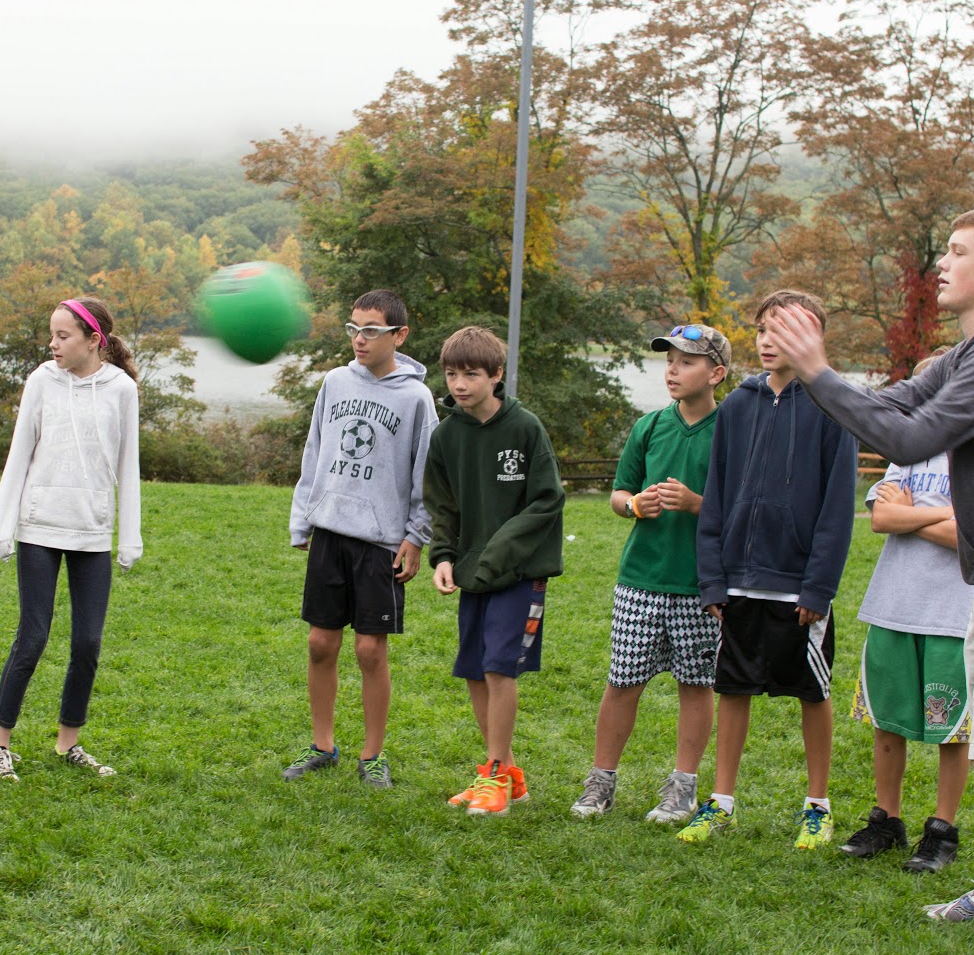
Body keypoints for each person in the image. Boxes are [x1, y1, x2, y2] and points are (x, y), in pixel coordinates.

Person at [767, 206, 974, 955]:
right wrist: (816, 369)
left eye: (955, 251)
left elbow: (908, 443)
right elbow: (897, 406)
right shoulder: (973, 351)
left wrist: (816, 371)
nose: (939, 264)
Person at [680, 290, 858, 850]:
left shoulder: (836, 406)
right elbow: (717, 495)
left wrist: (819, 587)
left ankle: (817, 807)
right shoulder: (736, 405)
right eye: (761, 330)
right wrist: (713, 577)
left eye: (780, 331)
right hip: (736, 582)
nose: (766, 342)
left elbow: (837, 509)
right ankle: (723, 803)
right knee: (731, 688)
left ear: (812, 338)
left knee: (812, 692)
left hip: (798, 586)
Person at [571, 324, 730, 824]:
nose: (673, 371)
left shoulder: (732, 432)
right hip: (640, 579)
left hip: (700, 586)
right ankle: (601, 783)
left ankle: (682, 788)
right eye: (669, 361)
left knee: (696, 683)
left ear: (717, 373)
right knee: (622, 682)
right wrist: (635, 505)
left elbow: (745, 510)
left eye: (686, 362)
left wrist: (698, 503)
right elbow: (619, 495)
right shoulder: (649, 426)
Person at [0, 297, 141, 784]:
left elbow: (127, 466)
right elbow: (19, 454)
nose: (52, 344)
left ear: (94, 341)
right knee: (33, 637)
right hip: (39, 528)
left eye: (63, 336)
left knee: (88, 642)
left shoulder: (121, 390)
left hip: (91, 531)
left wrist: (128, 537)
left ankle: (68, 741)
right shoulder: (41, 381)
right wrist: (2, 526)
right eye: (51, 335)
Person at [283, 289, 435, 788]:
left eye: (371, 330)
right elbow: (316, 449)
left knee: (371, 650)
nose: (359, 339)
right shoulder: (333, 382)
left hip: (381, 541)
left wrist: (416, 536)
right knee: (320, 643)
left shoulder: (416, 397)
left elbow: (426, 474)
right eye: (353, 328)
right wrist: (303, 517)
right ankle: (322, 745)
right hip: (330, 531)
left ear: (399, 335)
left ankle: (373, 755)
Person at [839, 350, 974, 873]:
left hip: (953, 612)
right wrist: (937, 514)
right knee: (887, 721)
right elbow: (879, 519)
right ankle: (886, 820)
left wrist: (910, 513)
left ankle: (941, 830)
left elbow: (972, 537)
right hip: (894, 606)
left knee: (952, 730)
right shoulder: (908, 456)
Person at [424, 326, 564, 816]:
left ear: (496, 375)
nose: (459, 384)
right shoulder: (445, 436)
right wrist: (442, 557)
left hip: (520, 572)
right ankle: (500, 772)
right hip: (471, 574)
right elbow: (443, 508)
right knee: (474, 671)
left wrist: (498, 550)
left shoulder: (525, 428)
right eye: (451, 373)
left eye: (471, 374)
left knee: (499, 668)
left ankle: (496, 777)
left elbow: (547, 500)